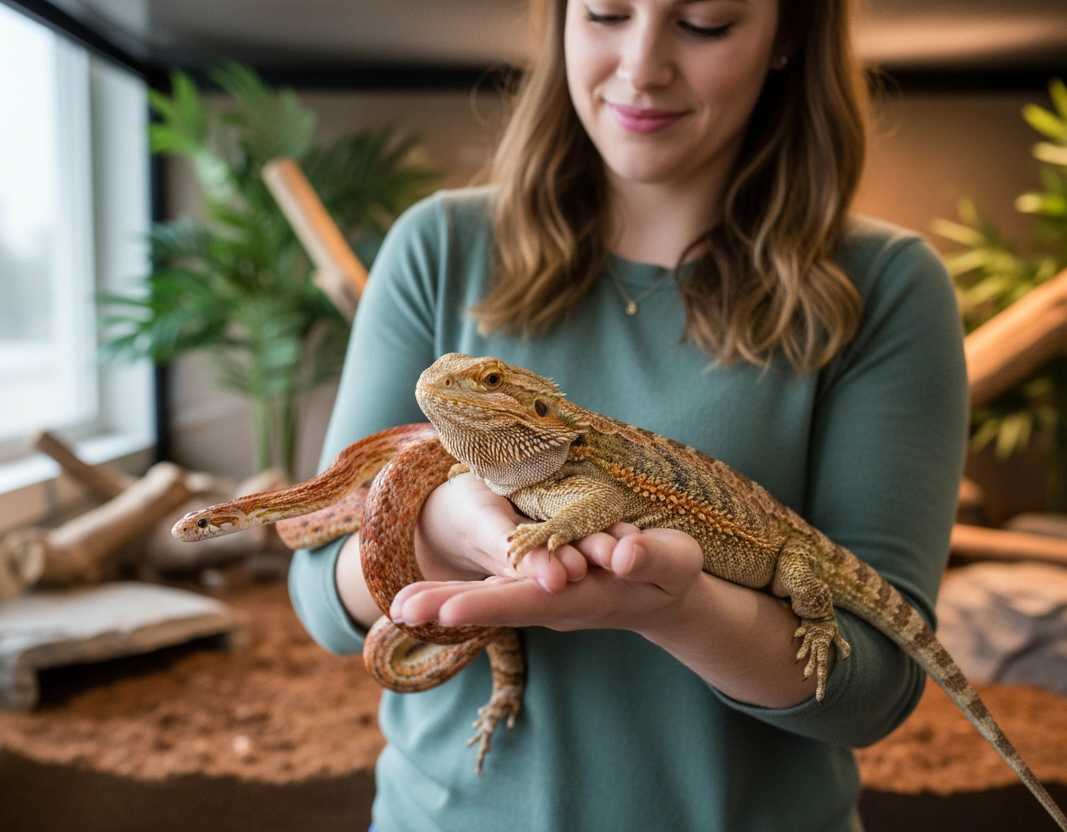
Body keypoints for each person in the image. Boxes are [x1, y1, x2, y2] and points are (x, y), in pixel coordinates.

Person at [288, 0, 968, 829]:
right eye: (606, 12)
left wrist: (681, 609)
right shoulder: (439, 247)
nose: (643, 66)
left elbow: (879, 688)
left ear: (788, 34)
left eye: (707, 23)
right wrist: (440, 534)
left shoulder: (887, 284)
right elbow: (319, 598)